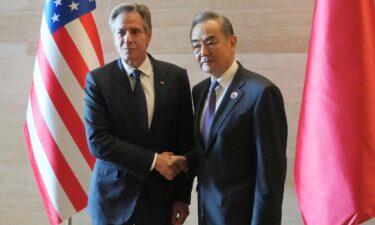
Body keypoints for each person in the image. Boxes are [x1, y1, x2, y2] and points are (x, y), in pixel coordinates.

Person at [171, 11, 288, 225]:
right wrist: (188, 161)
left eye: (210, 42)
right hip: (208, 212)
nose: (203, 52)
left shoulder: (261, 93)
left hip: (242, 216)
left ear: (232, 42)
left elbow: (270, 175)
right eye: (196, 46)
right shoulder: (200, 91)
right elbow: (212, 148)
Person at [84, 3, 194, 225]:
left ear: (149, 35)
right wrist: (154, 161)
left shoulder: (176, 77)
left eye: (135, 31)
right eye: (120, 32)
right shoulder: (98, 80)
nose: (127, 38)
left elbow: (184, 141)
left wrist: (182, 198)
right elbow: (98, 141)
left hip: (160, 200)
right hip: (112, 201)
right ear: (114, 38)